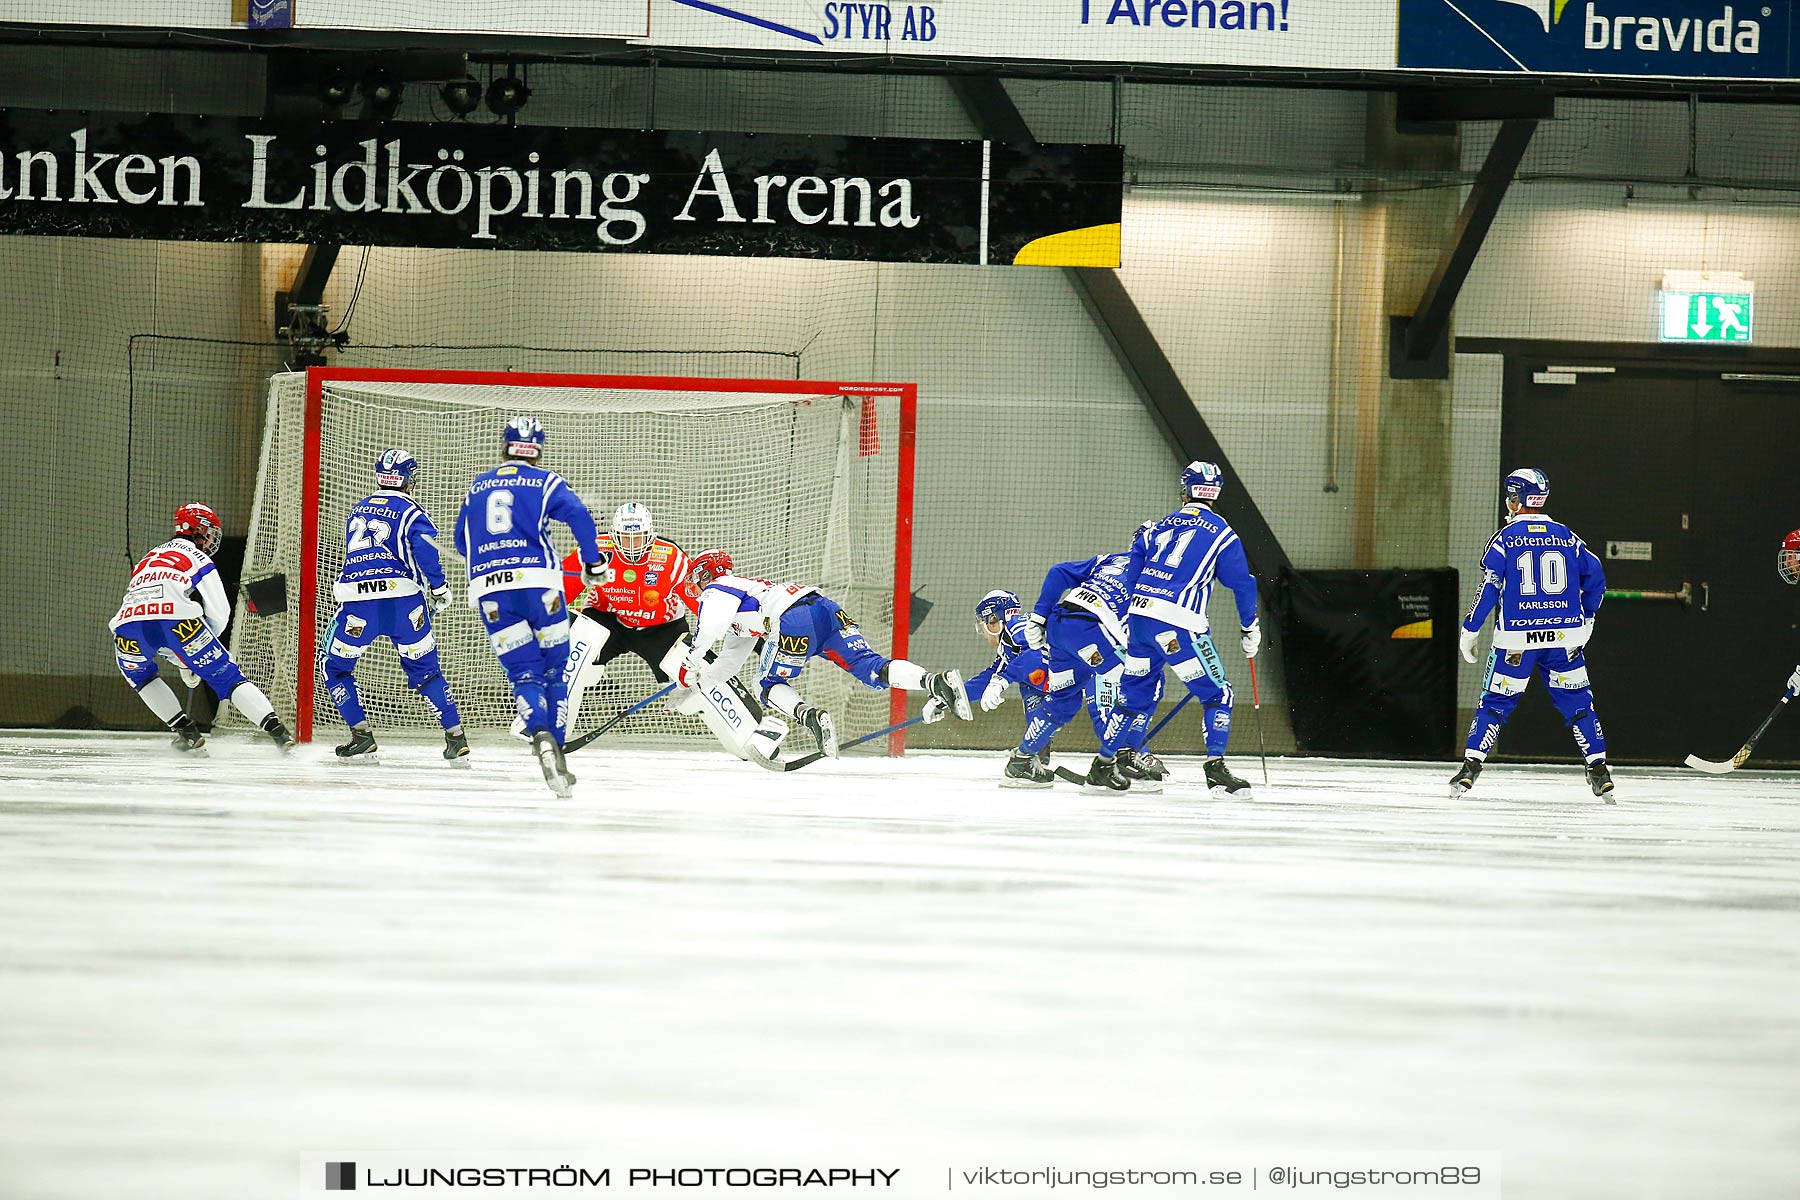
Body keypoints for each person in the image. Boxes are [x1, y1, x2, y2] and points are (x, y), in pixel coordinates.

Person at [676, 550, 971, 764]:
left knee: (765, 684)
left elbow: (708, 629)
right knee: (871, 668)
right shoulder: (740, 607)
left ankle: (814, 718)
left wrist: (690, 663)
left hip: (793, 619)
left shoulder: (718, 589)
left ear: (704, 576)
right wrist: (699, 683)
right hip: (826, 610)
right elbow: (729, 662)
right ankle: (935, 682)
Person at [455, 416, 602, 798]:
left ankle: (539, 734)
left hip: (491, 593)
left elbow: (460, 542)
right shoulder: (545, 481)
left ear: (504, 446)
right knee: (555, 672)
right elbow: (579, 515)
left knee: (524, 673)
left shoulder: (477, 486)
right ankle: (559, 753)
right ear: (538, 448)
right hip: (541, 588)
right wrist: (593, 563)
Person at [1453, 468, 1613, 802]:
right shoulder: (1568, 537)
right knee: (1580, 705)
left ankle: (1470, 769)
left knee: (1494, 705)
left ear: (1515, 498)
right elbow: (1596, 573)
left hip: (1516, 642)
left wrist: (1470, 628)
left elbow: (1489, 588)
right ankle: (1598, 770)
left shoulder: (1504, 540)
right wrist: (1588, 616)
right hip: (1564, 638)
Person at [1115, 461, 1261, 797]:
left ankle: (1115, 759)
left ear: (1186, 490)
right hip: (1180, 626)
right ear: (1216, 491)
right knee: (1218, 693)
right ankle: (1215, 770)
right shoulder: (1223, 532)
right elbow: (1242, 583)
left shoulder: (1159, 526)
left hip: (1139, 621)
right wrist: (1248, 627)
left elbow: (1131, 575)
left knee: (1137, 695)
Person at [319, 449, 468, 761]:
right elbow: (426, 554)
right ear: (409, 478)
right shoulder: (413, 512)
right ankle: (455, 737)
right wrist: (439, 589)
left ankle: (361, 735)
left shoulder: (357, 510)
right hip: (404, 604)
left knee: (333, 667)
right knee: (426, 671)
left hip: (359, 605)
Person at [110, 502, 294, 752]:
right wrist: (194, 654)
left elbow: (147, 617)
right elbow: (220, 611)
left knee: (141, 678)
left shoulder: (148, 557)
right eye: (210, 534)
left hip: (127, 626)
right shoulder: (197, 556)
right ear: (201, 531)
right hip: (180, 623)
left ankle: (186, 732)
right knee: (229, 679)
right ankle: (280, 736)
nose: (211, 540)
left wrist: (181, 659)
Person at [550, 501, 711, 739]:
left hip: (662, 628)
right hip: (607, 619)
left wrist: (733, 626)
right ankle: (551, 726)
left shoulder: (672, 559)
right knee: (570, 652)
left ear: (650, 535)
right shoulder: (595, 550)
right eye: (626, 538)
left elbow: (700, 602)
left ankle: (743, 735)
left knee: (701, 672)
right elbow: (563, 588)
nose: (632, 545)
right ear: (615, 536)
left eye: (639, 537)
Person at [1023, 551, 1139, 791]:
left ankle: (1021, 761)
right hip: (1091, 629)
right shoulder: (1154, 573)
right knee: (1142, 683)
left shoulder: (1108, 559)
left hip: (1060, 626)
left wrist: (1038, 617)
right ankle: (1122, 758)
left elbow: (1059, 572)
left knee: (1062, 702)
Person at [924, 589, 1056, 787]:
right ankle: (1035, 752)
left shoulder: (1018, 628)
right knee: (1029, 688)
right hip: (1053, 682)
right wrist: (946, 699)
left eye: (983, 624)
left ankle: (1116, 756)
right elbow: (990, 677)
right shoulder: (1010, 643)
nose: (982, 632)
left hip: (1078, 674)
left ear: (993, 620)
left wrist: (1001, 681)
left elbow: (1035, 657)